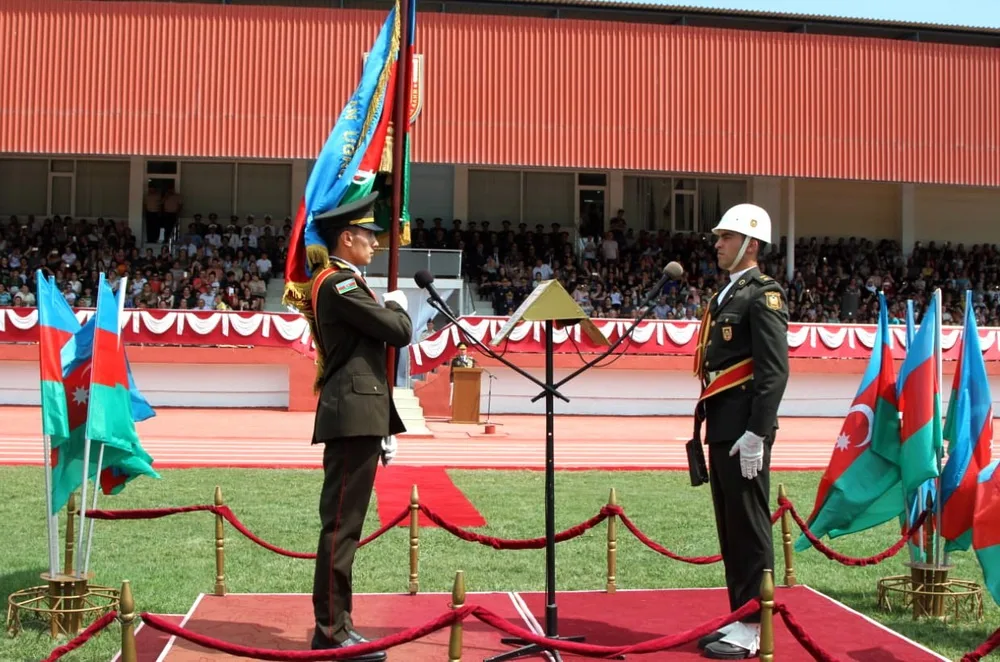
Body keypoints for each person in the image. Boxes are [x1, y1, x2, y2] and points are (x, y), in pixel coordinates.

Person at [306, 191, 412, 661]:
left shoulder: (346, 281)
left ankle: (336, 625)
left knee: (346, 526)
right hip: (352, 414)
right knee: (342, 528)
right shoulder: (338, 283)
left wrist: (383, 423)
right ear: (346, 238)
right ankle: (332, 631)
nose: (375, 242)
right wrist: (399, 307)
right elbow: (398, 332)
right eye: (368, 235)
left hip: (360, 413)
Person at [691, 203, 789, 660]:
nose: (718, 244)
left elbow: (774, 372)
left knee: (749, 526)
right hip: (723, 423)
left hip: (744, 429)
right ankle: (740, 614)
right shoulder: (727, 295)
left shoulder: (762, 295)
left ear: (750, 244)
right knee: (730, 527)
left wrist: (757, 433)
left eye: (726, 237)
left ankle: (753, 626)